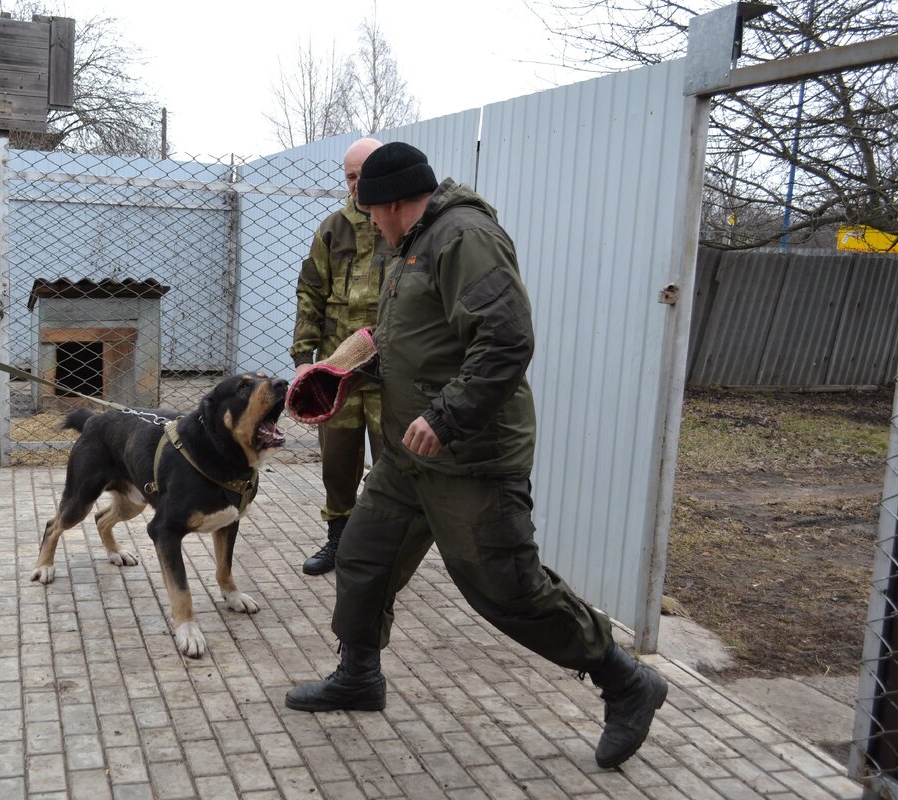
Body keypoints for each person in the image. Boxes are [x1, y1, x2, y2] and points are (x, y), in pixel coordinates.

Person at [284, 142, 669, 770]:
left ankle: (624, 679)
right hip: (412, 452)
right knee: (362, 556)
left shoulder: (463, 237)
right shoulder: (412, 245)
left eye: (371, 209)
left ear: (395, 202)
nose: (369, 224)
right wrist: (343, 368)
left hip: (469, 452)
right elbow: (415, 335)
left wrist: (447, 415)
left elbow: (507, 337)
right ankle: (358, 676)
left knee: (507, 589)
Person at [291, 137, 398, 575]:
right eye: (349, 176)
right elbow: (311, 290)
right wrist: (303, 355)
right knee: (337, 459)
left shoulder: (402, 222)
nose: (355, 185)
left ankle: (384, 550)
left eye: (362, 174)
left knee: (393, 461)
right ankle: (337, 539)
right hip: (339, 367)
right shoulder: (334, 227)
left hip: (390, 369)